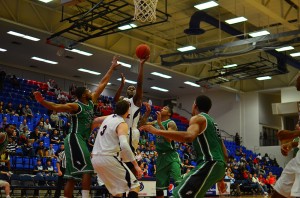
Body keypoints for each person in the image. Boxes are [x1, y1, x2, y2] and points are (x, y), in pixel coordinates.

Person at [34, 56, 121, 198]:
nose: (90, 90)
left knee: (71, 177)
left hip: (80, 140)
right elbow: (57, 106)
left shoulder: (91, 101)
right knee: (88, 168)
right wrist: (42, 101)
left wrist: (111, 67)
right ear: (83, 95)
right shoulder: (76, 105)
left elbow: (102, 83)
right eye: (87, 90)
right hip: (74, 138)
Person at [140, 95, 228, 197]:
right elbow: (224, 153)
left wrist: (157, 131)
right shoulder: (213, 123)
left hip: (209, 162)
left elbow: (189, 137)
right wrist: (220, 177)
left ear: (195, 105)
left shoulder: (197, 118)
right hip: (218, 166)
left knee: (179, 194)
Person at [91, 100, 143, 198]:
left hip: (95, 159)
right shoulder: (122, 123)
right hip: (108, 158)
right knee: (135, 186)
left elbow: (96, 120)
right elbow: (124, 145)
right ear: (128, 111)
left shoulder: (108, 117)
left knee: (117, 193)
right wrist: (135, 165)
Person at [113, 57, 148, 174]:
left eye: (133, 88)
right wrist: (122, 84)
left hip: (131, 132)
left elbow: (140, 84)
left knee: (128, 160)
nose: (132, 88)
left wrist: (141, 66)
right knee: (119, 160)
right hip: (121, 130)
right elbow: (115, 100)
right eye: (129, 87)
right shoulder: (123, 100)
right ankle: (125, 186)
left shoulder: (136, 101)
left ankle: (133, 184)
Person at [142, 103, 182, 198]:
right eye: (162, 107)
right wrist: (147, 112)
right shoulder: (156, 122)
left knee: (178, 183)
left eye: (165, 108)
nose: (162, 108)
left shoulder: (171, 123)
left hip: (171, 156)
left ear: (169, 113)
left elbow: (169, 139)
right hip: (160, 158)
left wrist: (160, 124)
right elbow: (142, 123)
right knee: (159, 190)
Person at [271, 75, 300, 198]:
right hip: (298, 158)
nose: (296, 79)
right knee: (278, 192)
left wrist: (291, 134)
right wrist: (291, 144)